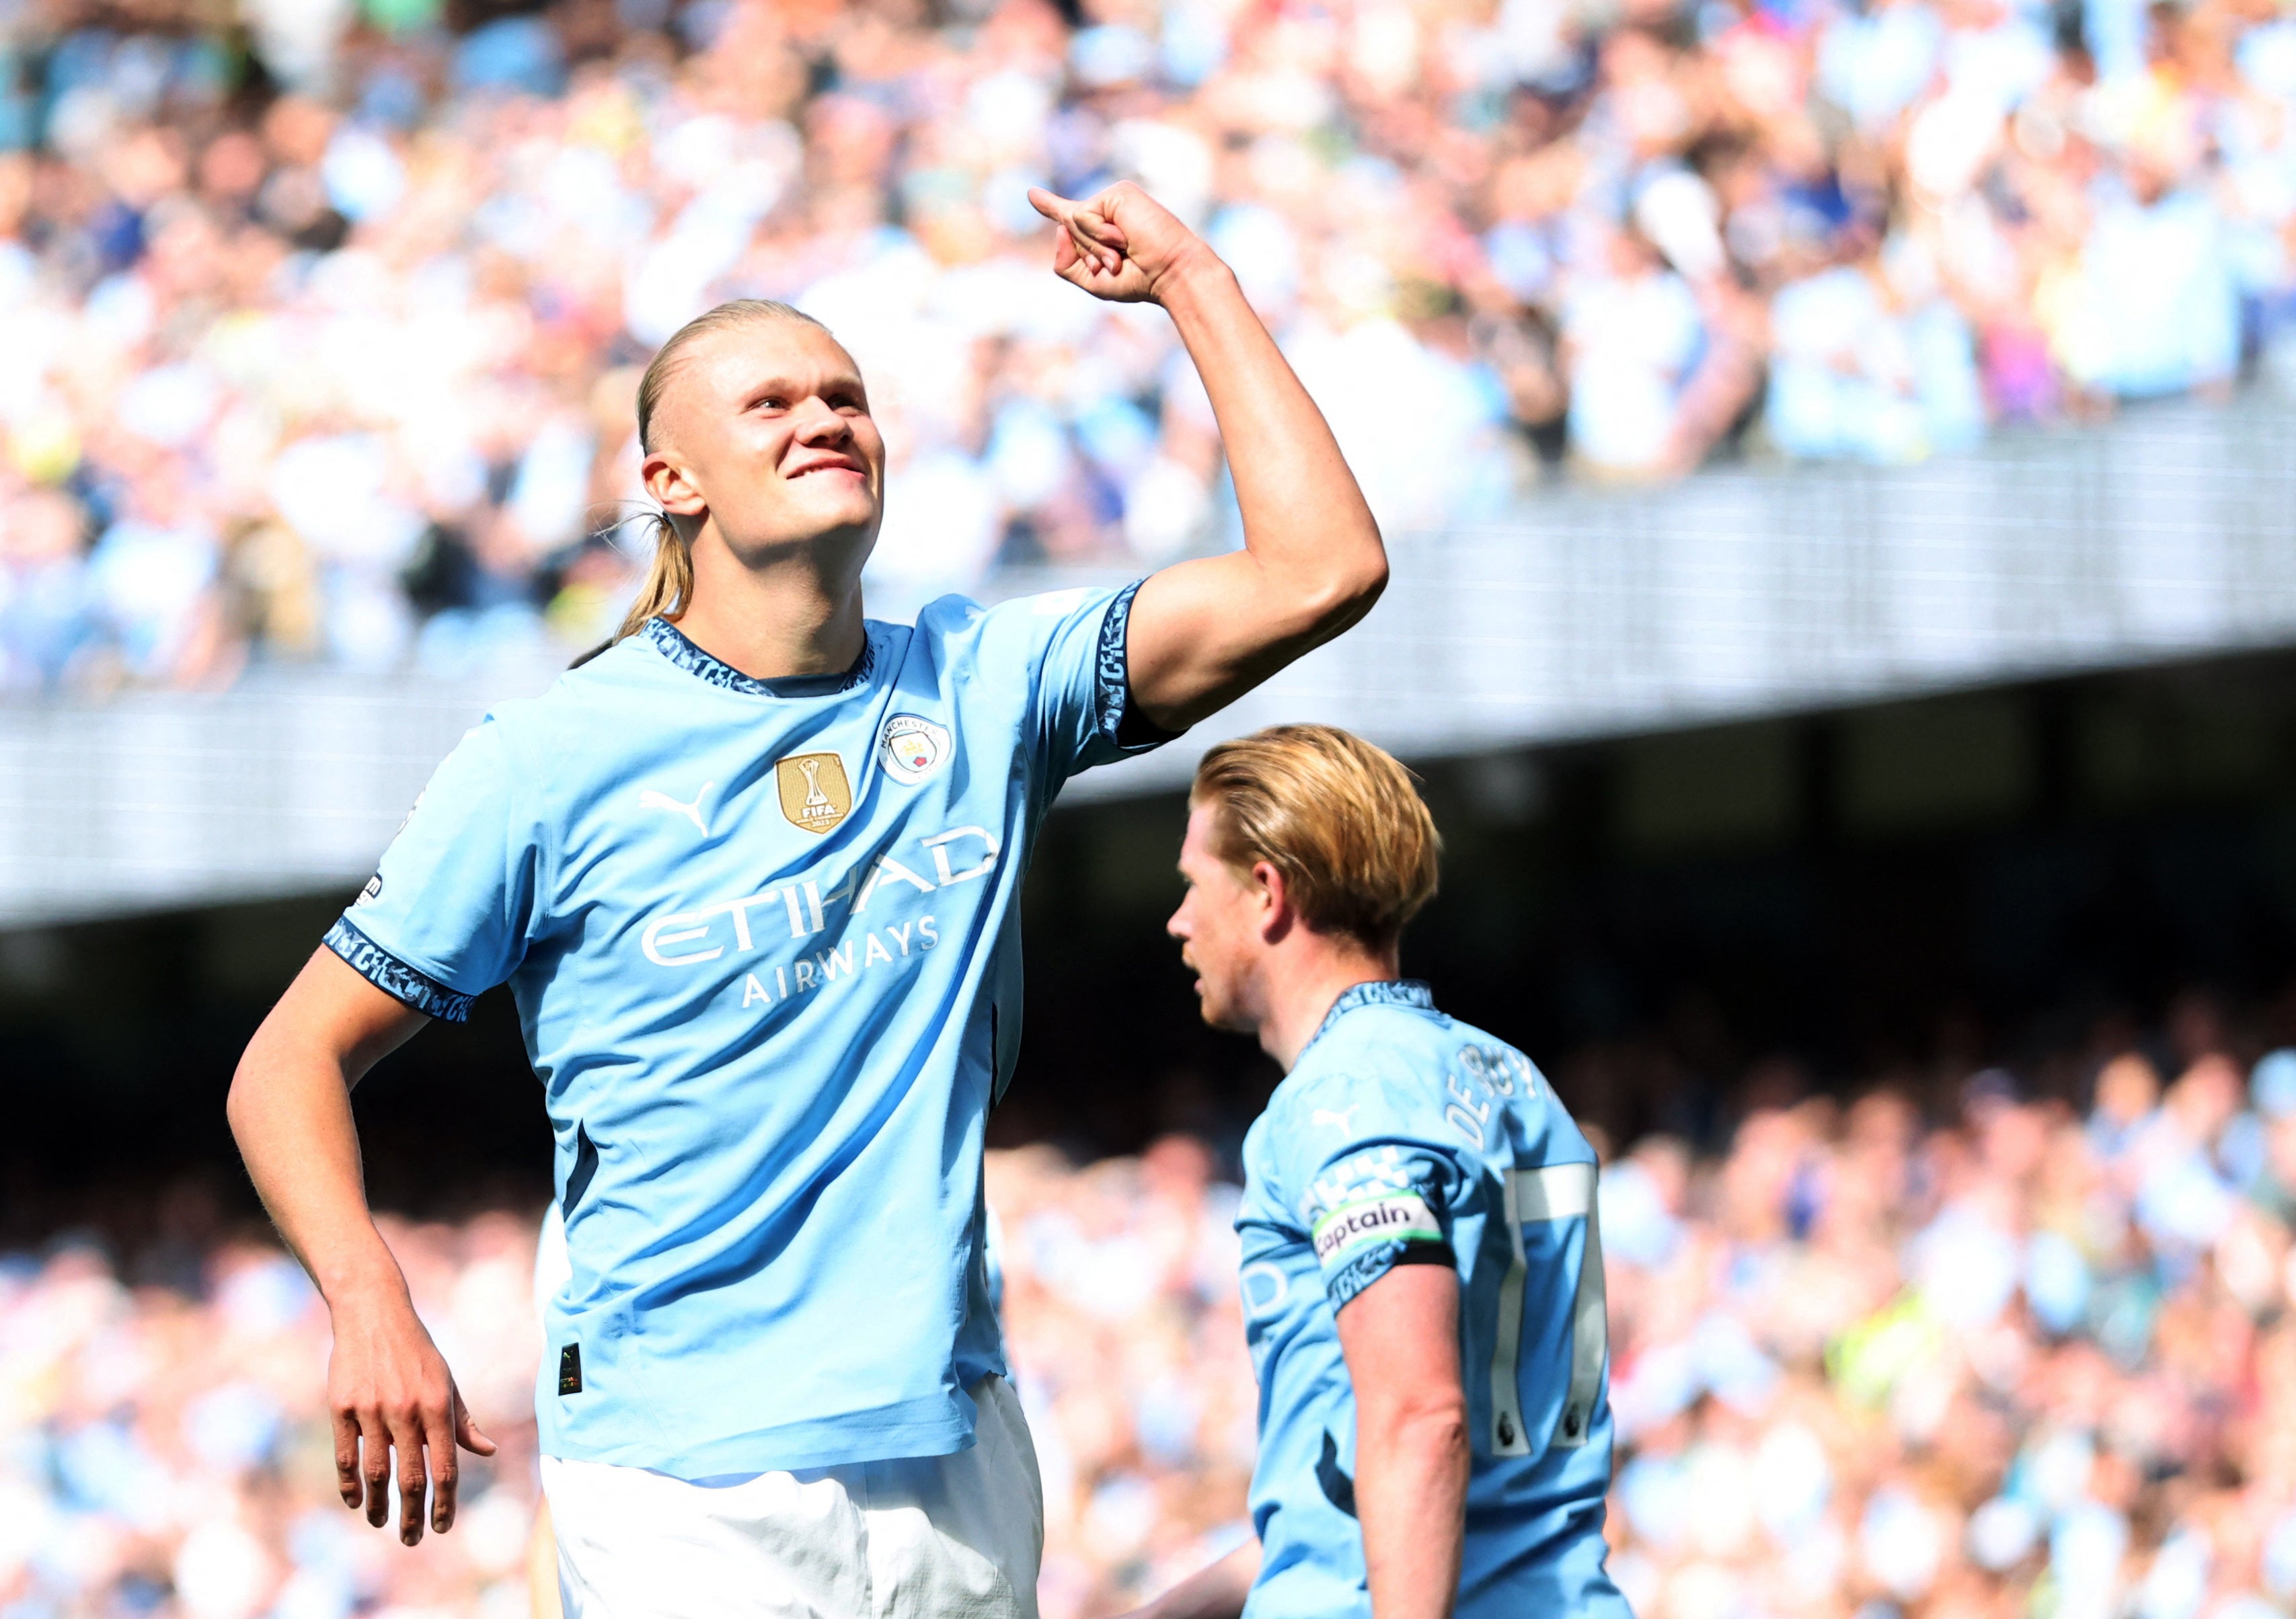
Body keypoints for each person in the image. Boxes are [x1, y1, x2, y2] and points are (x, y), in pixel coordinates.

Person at [225, 182, 1387, 1618]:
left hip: (952, 1444)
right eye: (770, 402)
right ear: (671, 480)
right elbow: (287, 1061)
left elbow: (1325, 570)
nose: (824, 416)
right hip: (679, 1479)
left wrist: (1195, 280)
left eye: (846, 396)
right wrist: (367, 1299)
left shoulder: (984, 685)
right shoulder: (544, 762)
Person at [1131, 725, 1631, 1619]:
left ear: (1264, 891)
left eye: (1188, 884)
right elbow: (1371, 1499)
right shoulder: (1511, 1080)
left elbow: (1418, 1420)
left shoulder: (1346, 1098)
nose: (1176, 921)